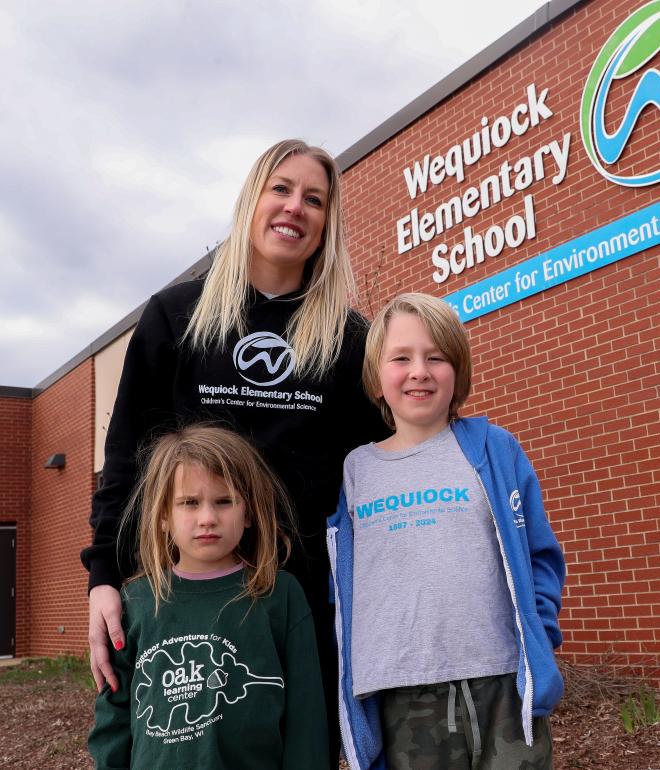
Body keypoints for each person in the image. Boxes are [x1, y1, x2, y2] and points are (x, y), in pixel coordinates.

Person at [81, 139, 385, 765]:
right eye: (281, 189)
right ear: (252, 200)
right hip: (184, 596)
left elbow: (376, 470)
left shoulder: (348, 338)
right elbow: (127, 462)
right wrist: (103, 579)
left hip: (298, 600)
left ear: (328, 222)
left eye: (314, 199)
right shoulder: (178, 315)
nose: (294, 208)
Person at [327, 292, 566, 769]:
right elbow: (341, 585)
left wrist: (538, 636)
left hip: (500, 681)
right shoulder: (356, 470)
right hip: (401, 692)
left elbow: (539, 554)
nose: (419, 370)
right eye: (401, 358)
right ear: (376, 378)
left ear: (457, 372)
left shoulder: (494, 449)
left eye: (435, 357)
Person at [87, 424, 329, 768]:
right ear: (163, 517)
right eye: (189, 503)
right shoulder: (135, 602)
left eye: (224, 501)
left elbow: (307, 717)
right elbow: (113, 718)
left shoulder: (280, 593)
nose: (207, 518)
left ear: (248, 513)